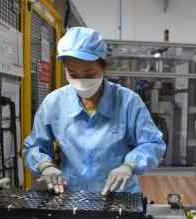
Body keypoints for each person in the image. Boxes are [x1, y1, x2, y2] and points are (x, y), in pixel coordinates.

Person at [23, 27, 166, 196]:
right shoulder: (54, 103)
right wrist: (46, 166)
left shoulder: (127, 101)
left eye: (90, 74)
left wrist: (129, 165)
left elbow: (152, 143)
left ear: (104, 66)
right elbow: (34, 146)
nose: (81, 81)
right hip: (71, 196)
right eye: (73, 74)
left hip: (119, 195)